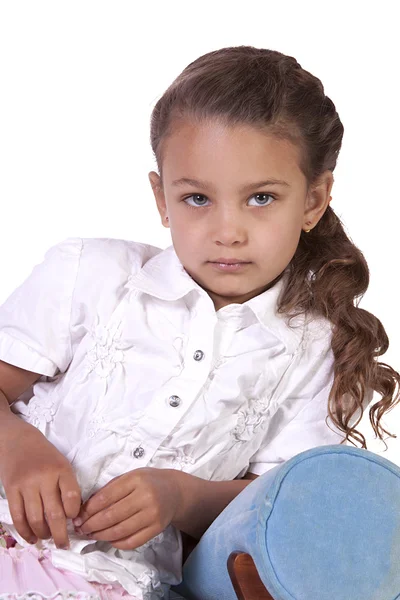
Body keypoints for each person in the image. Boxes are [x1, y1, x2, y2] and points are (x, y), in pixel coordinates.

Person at [0, 45, 399, 600]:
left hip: (116, 584)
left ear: (314, 200)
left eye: (261, 197)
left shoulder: (313, 352)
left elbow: (276, 504)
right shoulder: (92, 275)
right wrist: (15, 443)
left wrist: (181, 497)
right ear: (161, 197)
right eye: (196, 198)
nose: (227, 231)